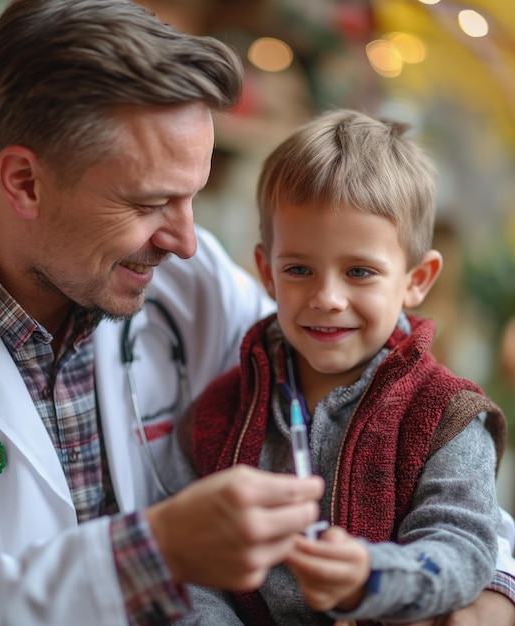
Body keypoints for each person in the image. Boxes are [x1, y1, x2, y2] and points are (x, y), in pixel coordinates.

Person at [0, 2, 510, 625]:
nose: (186, 241)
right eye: (152, 201)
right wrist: (155, 554)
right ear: (24, 182)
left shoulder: (182, 277)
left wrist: (492, 594)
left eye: (193, 197)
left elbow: (390, 416)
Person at [175, 110, 514, 625]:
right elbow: (190, 567)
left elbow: (465, 548)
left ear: (417, 279)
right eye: (299, 270)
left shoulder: (447, 417)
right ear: (267, 272)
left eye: (359, 271)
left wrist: (370, 579)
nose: (328, 297)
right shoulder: (219, 413)